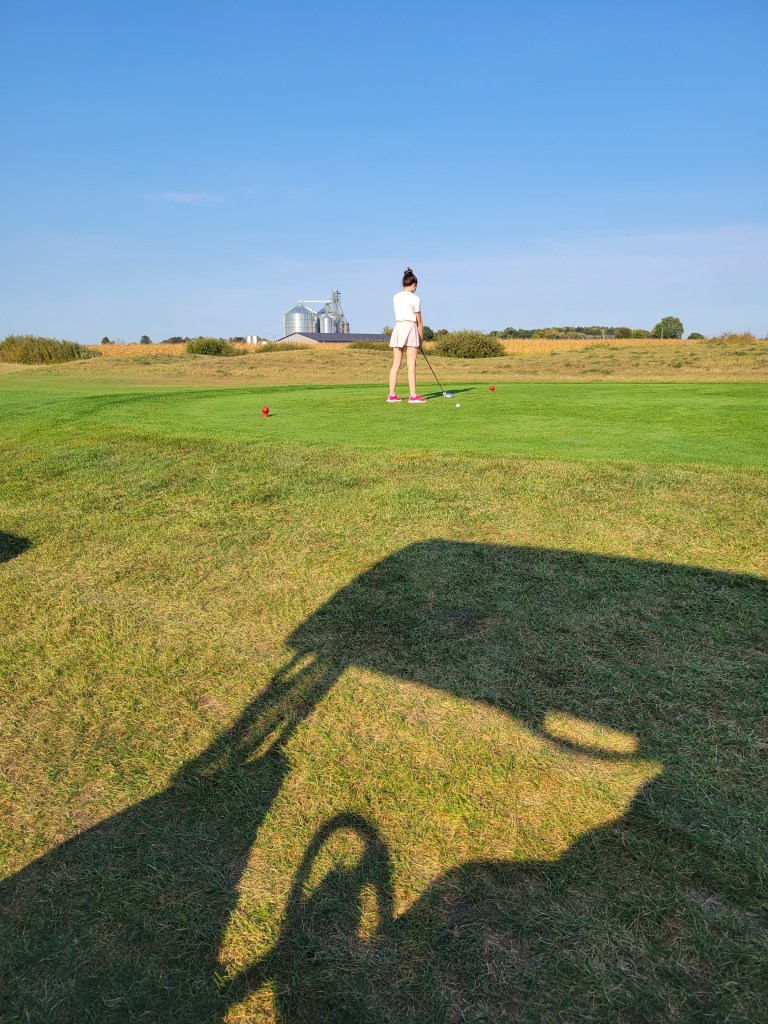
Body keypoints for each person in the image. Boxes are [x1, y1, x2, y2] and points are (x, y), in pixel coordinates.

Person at [387, 267, 425, 403]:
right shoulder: (416, 299)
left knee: (395, 364)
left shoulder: (395, 297)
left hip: (398, 327)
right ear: (414, 285)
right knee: (411, 364)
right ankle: (413, 396)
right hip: (410, 327)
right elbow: (419, 321)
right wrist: (421, 339)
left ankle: (391, 395)